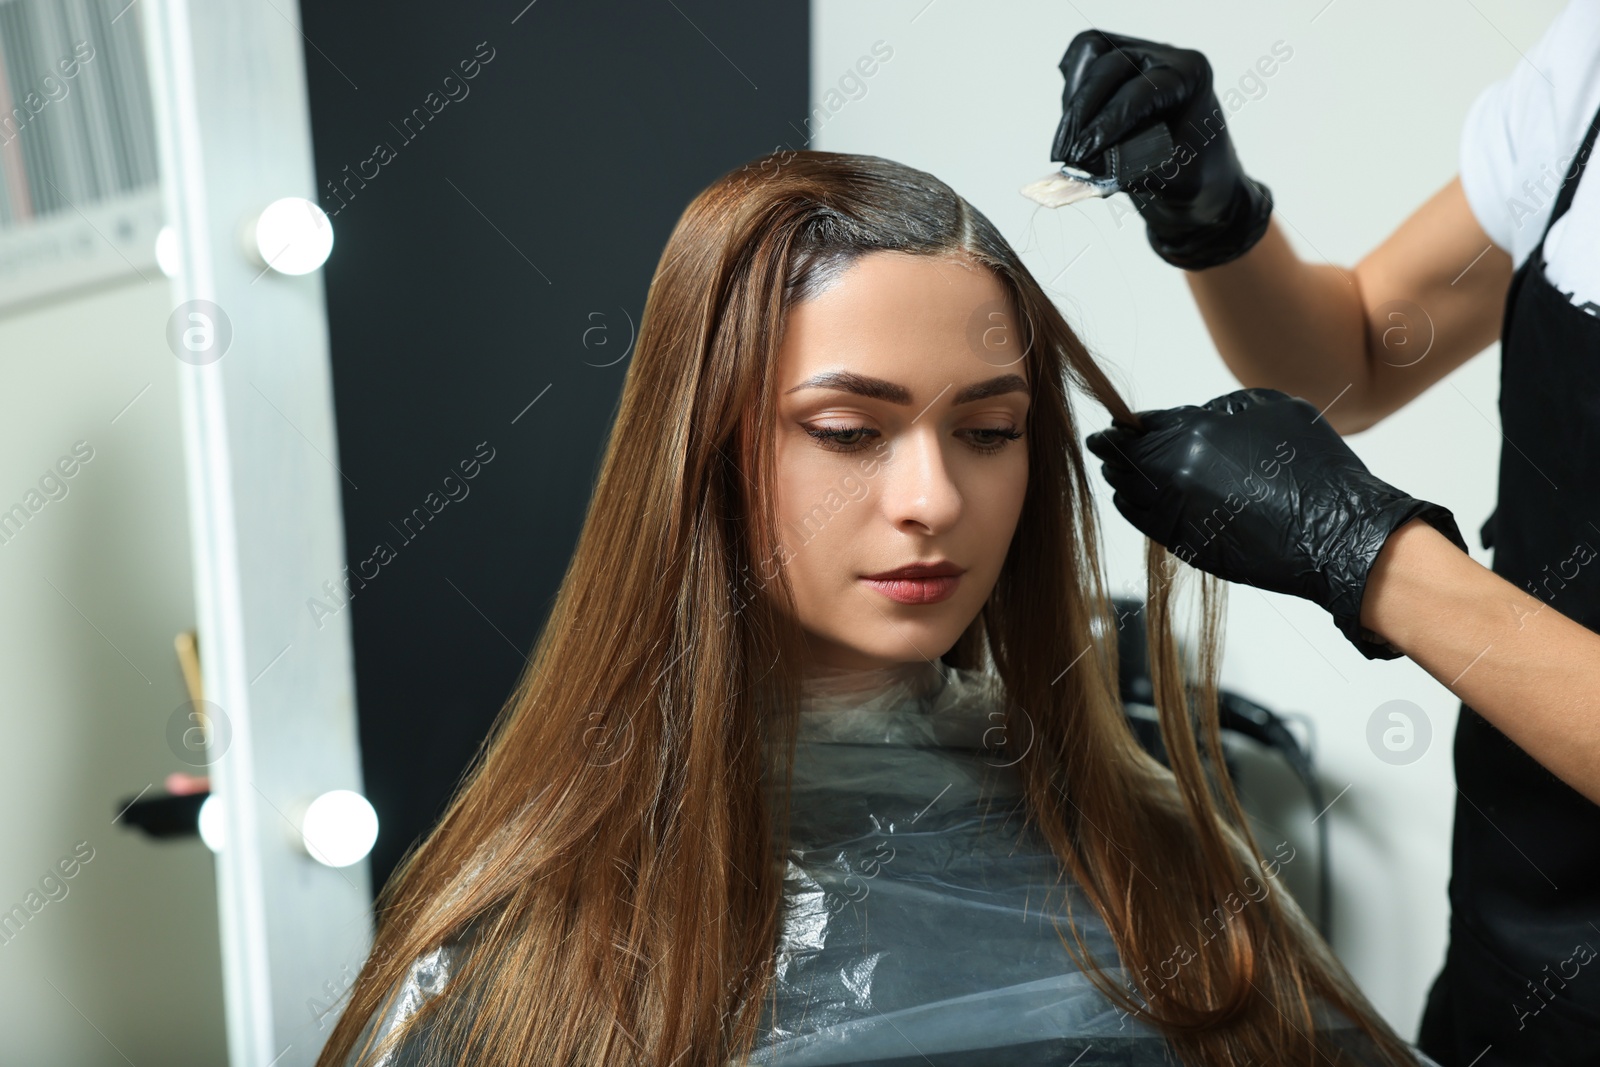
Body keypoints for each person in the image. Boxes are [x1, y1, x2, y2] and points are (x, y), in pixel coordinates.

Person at [314, 151, 1441, 1066]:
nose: (933, 499)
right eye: (850, 432)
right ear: (702, 448)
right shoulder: (536, 943)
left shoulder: (1152, 854)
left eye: (989, 431)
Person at [1052, 10, 1600, 1065]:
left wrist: (1372, 552)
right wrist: (1214, 218)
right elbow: (1354, 352)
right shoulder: (1587, 64)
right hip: (1517, 956)